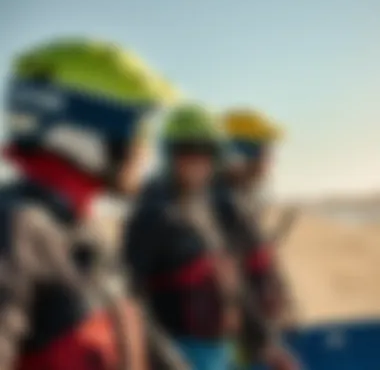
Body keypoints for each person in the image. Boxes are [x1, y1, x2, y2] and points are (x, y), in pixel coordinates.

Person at [0, 37, 179, 370]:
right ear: (86, 131)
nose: (145, 149)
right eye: (137, 127)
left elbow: (137, 334)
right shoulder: (16, 227)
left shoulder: (80, 228)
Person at [124, 103, 247, 370]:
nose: (197, 161)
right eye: (187, 150)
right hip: (179, 353)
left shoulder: (203, 209)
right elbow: (130, 297)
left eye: (206, 152)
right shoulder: (152, 214)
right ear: (169, 154)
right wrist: (168, 360)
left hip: (220, 350)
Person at [214, 108, 298, 369]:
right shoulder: (221, 205)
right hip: (235, 341)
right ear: (238, 156)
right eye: (263, 153)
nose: (268, 163)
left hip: (251, 335)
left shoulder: (237, 200)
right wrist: (265, 344)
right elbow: (229, 283)